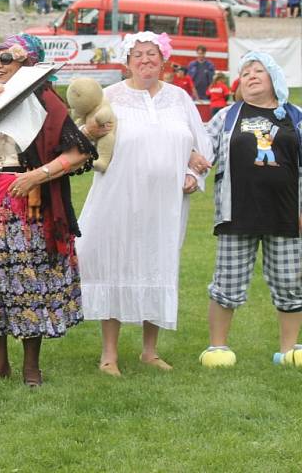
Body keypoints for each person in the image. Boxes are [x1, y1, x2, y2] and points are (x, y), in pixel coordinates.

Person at [76, 31, 212, 376]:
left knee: (158, 263)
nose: (146, 60)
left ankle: (149, 351)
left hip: (164, 205)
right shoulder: (110, 97)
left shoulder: (180, 99)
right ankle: (109, 355)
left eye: (152, 54)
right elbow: (81, 139)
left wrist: (193, 175)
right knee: (114, 264)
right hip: (118, 198)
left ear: (163, 60)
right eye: (138, 55)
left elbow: (202, 147)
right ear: (127, 62)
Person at [0, 34, 97, 387]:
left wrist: (38, 174)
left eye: (7, 58)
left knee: (28, 281)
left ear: (29, 63)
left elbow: (79, 152)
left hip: (33, 209)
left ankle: (31, 367)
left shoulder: (45, 101)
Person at [200, 52, 302, 368]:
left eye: (258, 70)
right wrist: (191, 168)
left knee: (291, 283)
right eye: (245, 72)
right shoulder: (227, 116)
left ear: (274, 78)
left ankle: (288, 350)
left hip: (286, 216)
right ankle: (218, 348)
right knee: (227, 284)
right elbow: (202, 153)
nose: (251, 75)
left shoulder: (295, 117)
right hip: (236, 213)